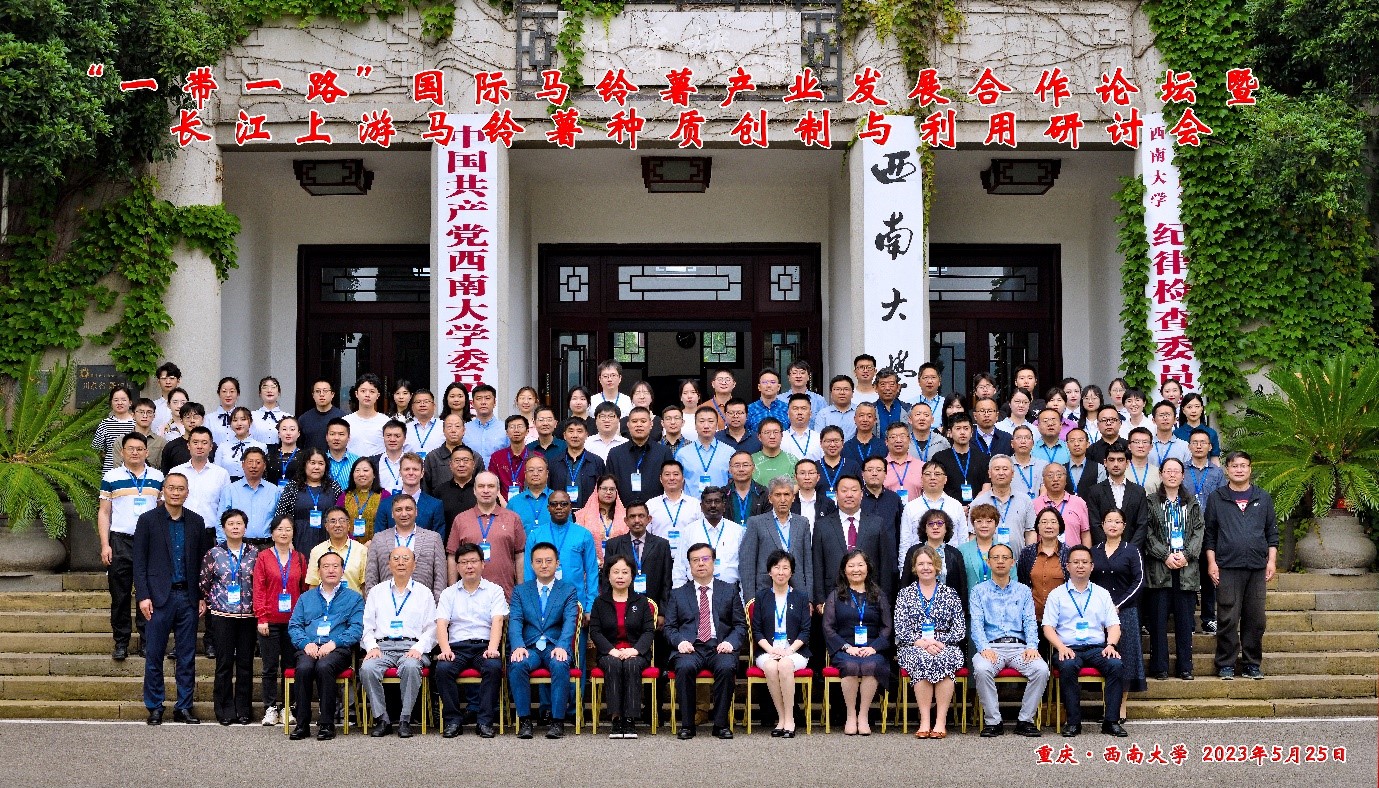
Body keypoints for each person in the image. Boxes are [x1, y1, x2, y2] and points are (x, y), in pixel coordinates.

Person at [133, 473, 214, 724]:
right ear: (163, 490)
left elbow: (202, 563)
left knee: (187, 656)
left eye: (181, 489)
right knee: (154, 654)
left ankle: (184, 706)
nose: (176, 492)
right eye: (171, 488)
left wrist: (202, 595)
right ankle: (155, 706)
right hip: (158, 598)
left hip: (188, 597)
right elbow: (139, 562)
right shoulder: (148, 520)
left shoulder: (196, 522)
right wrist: (143, 596)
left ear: (187, 492)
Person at [1204, 451, 1278, 681]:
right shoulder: (1217, 498)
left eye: (1243, 465)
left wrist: (1271, 561)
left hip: (1256, 567)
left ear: (1250, 468)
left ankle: (1251, 664)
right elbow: (1210, 535)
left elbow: (1272, 533)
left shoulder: (1262, 497)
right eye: (1234, 466)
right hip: (1227, 566)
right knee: (1227, 617)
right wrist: (1211, 563)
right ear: (1227, 469)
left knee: (1256, 619)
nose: (1239, 470)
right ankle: (1225, 663)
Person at [1043, 545, 1128, 737]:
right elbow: (1048, 626)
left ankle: (1111, 722)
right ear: (1067, 566)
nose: (1080, 566)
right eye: (1076, 562)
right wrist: (1060, 647)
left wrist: (1111, 645)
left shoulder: (1102, 594)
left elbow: (1114, 625)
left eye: (1084, 562)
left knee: (1116, 665)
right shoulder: (1057, 594)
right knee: (1067, 666)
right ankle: (1073, 723)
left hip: (1097, 648)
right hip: (1068, 647)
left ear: (1092, 566)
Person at [666, 542, 747, 739]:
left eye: (705, 559)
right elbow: (669, 627)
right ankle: (687, 725)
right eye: (695, 560)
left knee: (727, 667)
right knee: (684, 667)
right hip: (690, 647)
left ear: (713, 562)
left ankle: (720, 724)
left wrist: (730, 642)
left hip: (719, 646)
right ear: (689, 565)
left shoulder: (729, 590)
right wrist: (680, 642)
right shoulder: (678, 594)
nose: (701, 564)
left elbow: (740, 625)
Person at [968, 541, 1047, 738]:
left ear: (1013, 562)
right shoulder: (978, 591)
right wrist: (983, 648)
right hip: (991, 647)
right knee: (982, 669)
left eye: (1005, 558)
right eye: (996, 558)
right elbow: (976, 624)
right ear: (988, 562)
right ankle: (993, 721)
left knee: (1041, 669)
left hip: (1019, 648)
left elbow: (1030, 621)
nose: (1000, 561)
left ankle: (1025, 720)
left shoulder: (1023, 591)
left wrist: (1032, 646)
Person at [360, 546, 438, 738]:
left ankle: (405, 719)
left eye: (405, 558)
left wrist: (419, 648)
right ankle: (382, 718)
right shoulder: (377, 592)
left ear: (414, 565)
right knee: (367, 668)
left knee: (411, 666)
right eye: (396, 559)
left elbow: (432, 628)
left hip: (411, 647)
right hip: (382, 647)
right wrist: (372, 647)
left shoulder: (424, 593)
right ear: (389, 564)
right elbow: (366, 626)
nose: (401, 563)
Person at [286, 551, 365, 740]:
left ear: (342, 570)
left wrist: (334, 643)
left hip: (337, 649)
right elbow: (295, 625)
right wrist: (305, 643)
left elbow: (356, 628)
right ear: (318, 571)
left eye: (335, 566)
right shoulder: (306, 598)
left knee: (324, 666)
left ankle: (327, 724)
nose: (331, 570)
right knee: (304, 667)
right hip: (309, 647)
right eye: (326, 566)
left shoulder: (354, 598)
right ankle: (302, 724)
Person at [100, 432, 165, 660]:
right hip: (120, 541)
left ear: (147, 452)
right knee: (120, 594)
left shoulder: (157, 476)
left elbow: (162, 511)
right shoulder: (111, 476)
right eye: (131, 448)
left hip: (150, 542)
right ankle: (121, 642)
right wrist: (105, 544)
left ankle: (147, 641)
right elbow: (104, 512)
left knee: (148, 593)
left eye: (139, 449)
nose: (135, 452)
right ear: (122, 451)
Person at [435, 542, 507, 738]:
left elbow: (497, 620)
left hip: (483, 646)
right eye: (464, 562)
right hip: (456, 648)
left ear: (482, 564)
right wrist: (445, 650)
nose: (469, 566)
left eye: (473, 561)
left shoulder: (494, 590)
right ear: (457, 566)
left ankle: (484, 722)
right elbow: (441, 623)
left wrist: (492, 648)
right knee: (442, 669)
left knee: (493, 667)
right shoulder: (449, 593)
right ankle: (453, 721)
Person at [509, 541, 580, 739]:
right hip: (529, 647)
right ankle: (525, 721)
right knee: (517, 664)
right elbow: (515, 621)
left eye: (549, 561)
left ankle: (557, 722)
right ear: (531, 564)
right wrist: (518, 646)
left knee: (559, 664)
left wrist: (563, 646)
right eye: (539, 561)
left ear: (557, 563)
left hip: (554, 646)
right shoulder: (521, 591)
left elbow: (570, 621)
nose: (544, 565)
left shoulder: (568, 591)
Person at [894, 545, 966, 739]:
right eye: (921, 564)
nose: (925, 567)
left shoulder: (950, 593)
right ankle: (925, 721)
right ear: (914, 568)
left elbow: (959, 629)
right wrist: (921, 643)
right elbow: (900, 628)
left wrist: (939, 641)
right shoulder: (905, 594)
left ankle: (940, 721)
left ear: (937, 566)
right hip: (913, 645)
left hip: (945, 645)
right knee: (922, 660)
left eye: (929, 563)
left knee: (945, 659)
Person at [821, 549, 891, 735]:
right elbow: (828, 628)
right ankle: (851, 715)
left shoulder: (878, 595)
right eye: (851, 566)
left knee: (870, 665)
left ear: (868, 568)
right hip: (845, 648)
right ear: (844, 570)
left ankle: (863, 715)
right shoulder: (835, 596)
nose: (856, 569)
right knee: (850, 665)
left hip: (872, 648)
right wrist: (847, 647)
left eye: (860, 565)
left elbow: (887, 627)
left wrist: (874, 648)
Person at [1146, 458, 1204, 680]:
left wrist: (1187, 555)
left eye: (1176, 471)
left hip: (1186, 570)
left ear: (1182, 475)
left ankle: (1185, 667)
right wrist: (1165, 555)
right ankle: (1159, 667)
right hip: (1160, 569)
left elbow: (1199, 531)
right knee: (1158, 621)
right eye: (1168, 471)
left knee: (1184, 622)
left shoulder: (1192, 503)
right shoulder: (1151, 502)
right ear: (1161, 474)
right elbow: (1148, 533)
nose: (1172, 475)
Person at [199, 509, 259, 725]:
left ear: (245, 527)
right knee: (224, 663)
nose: (235, 527)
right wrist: (210, 601)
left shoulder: (254, 553)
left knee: (245, 663)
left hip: (248, 615)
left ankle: (243, 709)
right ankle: (224, 709)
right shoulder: (214, 553)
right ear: (223, 528)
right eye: (231, 524)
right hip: (222, 614)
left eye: (239, 523)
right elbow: (204, 582)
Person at [590, 554, 657, 739]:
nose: (620, 576)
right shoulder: (600, 602)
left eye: (625, 572)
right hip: (609, 652)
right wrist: (611, 651)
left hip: (636, 651)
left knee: (631, 664)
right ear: (608, 575)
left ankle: (630, 719)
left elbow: (648, 631)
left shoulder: (641, 602)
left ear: (632, 576)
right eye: (616, 572)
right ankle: (616, 718)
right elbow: (595, 631)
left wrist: (634, 650)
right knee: (613, 664)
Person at [251, 515, 308, 727]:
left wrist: (302, 620)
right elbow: (259, 588)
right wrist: (262, 617)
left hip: (293, 622)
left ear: (293, 533)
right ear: (272, 533)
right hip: (270, 620)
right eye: (280, 529)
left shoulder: (300, 558)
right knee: (269, 666)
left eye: (288, 529)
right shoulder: (264, 557)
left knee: (290, 666)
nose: (284, 533)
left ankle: (287, 707)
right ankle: (270, 707)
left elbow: (304, 590)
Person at [1091, 509, 1146, 722]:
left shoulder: (1131, 551)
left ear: (1124, 526)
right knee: (1102, 657)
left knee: (1125, 659)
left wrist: (1119, 605)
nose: (1113, 525)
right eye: (1109, 521)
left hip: (1125, 611)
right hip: (1098, 614)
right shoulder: (1094, 551)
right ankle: (1106, 705)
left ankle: (1120, 707)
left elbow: (1139, 581)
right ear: (1102, 525)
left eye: (1117, 521)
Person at [749, 550, 812, 737]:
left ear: (791, 572)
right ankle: (781, 717)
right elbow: (757, 630)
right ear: (770, 572)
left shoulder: (801, 597)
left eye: (785, 568)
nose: (781, 572)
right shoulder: (762, 597)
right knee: (770, 666)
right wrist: (771, 650)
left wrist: (789, 650)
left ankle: (790, 719)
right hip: (768, 650)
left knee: (784, 665)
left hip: (795, 651)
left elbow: (805, 631)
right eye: (776, 567)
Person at [818, 473, 898, 603]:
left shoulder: (877, 523)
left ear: (861, 494)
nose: (849, 495)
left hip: (870, 595)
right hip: (833, 595)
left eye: (854, 490)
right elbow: (818, 565)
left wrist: (884, 599)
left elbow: (885, 565)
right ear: (836, 495)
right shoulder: (822, 525)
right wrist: (820, 600)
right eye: (844, 490)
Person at [446, 471, 525, 598]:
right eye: (481, 486)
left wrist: (521, 592)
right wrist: (452, 592)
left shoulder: (513, 518)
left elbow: (519, 556)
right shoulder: (461, 519)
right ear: (474, 490)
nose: (486, 490)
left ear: (498, 490)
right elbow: (452, 557)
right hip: (467, 596)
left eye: (491, 486)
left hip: (505, 595)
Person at [740, 476, 814, 602]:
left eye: (787, 494)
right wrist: (750, 600)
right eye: (778, 495)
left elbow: (808, 563)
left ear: (793, 497)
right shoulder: (756, 523)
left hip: (798, 591)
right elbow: (747, 564)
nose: (783, 499)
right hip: (765, 590)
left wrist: (809, 598)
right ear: (770, 498)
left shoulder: (802, 523)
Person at [366, 494, 449, 600]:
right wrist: (373, 603)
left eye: (408, 509)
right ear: (392, 514)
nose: (404, 514)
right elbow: (371, 577)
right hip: (387, 603)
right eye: (398, 510)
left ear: (416, 512)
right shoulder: (379, 539)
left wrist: (436, 605)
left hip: (423, 603)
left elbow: (440, 578)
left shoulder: (433, 538)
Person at [1184, 428, 1226, 634]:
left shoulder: (1217, 473)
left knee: (1210, 576)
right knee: (1188, 576)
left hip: (1210, 530)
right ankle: (1188, 620)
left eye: (1203, 442)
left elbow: (1223, 499)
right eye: (1195, 442)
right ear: (1189, 446)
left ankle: (1209, 618)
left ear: (1210, 447)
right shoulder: (1182, 470)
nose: (1199, 446)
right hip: (1186, 531)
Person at [273, 447, 344, 555]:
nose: (316, 467)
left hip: (328, 539)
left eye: (321, 463)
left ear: (326, 466)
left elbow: (342, 514)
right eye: (312, 463)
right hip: (298, 540)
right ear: (304, 465)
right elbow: (281, 516)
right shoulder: (293, 486)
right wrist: (288, 542)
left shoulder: (333, 486)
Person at [603, 501, 673, 607]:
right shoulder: (613, 545)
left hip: (654, 606)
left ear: (649, 519)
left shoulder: (662, 545)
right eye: (632, 516)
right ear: (626, 521)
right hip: (621, 606)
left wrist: (662, 612)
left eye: (641, 516)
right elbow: (606, 580)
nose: (637, 520)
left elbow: (667, 581)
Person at [670, 486, 744, 586]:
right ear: (701, 506)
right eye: (708, 502)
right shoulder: (689, 531)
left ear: (724, 505)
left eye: (717, 501)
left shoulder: (737, 531)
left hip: (731, 591)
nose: (713, 505)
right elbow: (679, 568)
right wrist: (680, 593)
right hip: (696, 591)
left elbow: (745, 568)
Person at [898, 462, 969, 565]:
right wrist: (903, 569)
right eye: (928, 474)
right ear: (921, 479)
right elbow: (905, 542)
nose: (932, 478)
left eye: (937, 474)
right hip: (920, 566)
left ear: (945, 479)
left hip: (950, 564)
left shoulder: (956, 505)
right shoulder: (911, 507)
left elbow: (963, 539)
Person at [1084, 446, 1152, 547]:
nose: (1116, 464)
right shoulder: (1095, 491)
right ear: (1105, 462)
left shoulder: (1139, 491)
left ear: (1127, 463)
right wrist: (1109, 548)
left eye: (1120, 460)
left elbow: (1142, 524)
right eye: (1112, 460)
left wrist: (1130, 550)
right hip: (1104, 551)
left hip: (1132, 551)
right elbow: (1095, 524)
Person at [900, 510, 968, 605]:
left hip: (948, 607)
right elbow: (905, 583)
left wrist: (962, 608)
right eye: (930, 524)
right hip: (917, 606)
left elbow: (962, 586)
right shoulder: (913, 551)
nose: (935, 527)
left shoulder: (955, 553)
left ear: (946, 528)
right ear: (925, 528)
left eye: (940, 523)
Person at [607, 406, 674, 502]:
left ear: (651, 424)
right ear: (628, 425)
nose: (639, 425)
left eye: (643, 421)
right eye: (634, 421)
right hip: (623, 508)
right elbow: (609, 485)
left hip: (656, 508)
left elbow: (670, 483)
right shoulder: (615, 454)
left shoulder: (663, 452)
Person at [217, 447, 280, 546]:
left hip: (267, 545)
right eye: (250, 462)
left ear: (264, 466)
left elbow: (279, 520)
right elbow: (221, 519)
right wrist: (224, 544)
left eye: (258, 462)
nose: (254, 466)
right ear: (243, 465)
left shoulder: (274, 491)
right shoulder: (230, 490)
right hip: (238, 544)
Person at [171, 426, 231, 530]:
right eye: (195, 442)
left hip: (210, 532)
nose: (199, 446)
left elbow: (226, 507)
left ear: (211, 446)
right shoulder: (175, 472)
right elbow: (168, 503)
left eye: (204, 443)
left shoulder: (221, 474)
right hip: (180, 530)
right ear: (188, 446)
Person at [1018, 507, 1071, 621]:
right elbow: (1022, 584)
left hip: (1062, 619)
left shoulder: (1069, 554)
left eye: (1053, 522)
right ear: (1037, 526)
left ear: (1060, 526)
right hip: (1032, 618)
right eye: (1044, 522)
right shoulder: (1027, 553)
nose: (1049, 526)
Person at [970, 455, 1037, 545]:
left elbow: (1030, 532)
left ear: (1012, 473)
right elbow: (973, 535)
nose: (1001, 473)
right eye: (997, 469)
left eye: (1005, 469)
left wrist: (1030, 553)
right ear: (989, 473)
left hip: (1018, 554)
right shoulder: (978, 503)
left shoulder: (1025, 500)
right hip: (986, 554)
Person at [375, 452, 446, 535]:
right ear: (400, 473)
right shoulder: (385, 504)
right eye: (407, 469)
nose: (411, 473)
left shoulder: (435, 506)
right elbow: (379, 537)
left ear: (422, 473)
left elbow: (438, 539)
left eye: (415, 469)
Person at [305, 507, 369, 592]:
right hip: (324, 600)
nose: (338, 525)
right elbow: (313, 584)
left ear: (349, 525)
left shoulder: (361, 550)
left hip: (353, 600)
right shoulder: (317, 551)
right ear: (326, 526)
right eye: (333, 521)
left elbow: (364, 585)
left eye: (342, 521)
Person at [676, 405, 732, 499]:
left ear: (717, 425)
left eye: (711, 421)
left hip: (721, 504)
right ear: (695, 425)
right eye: (701, 421)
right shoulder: (682, 454)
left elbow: (733, 481)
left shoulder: (729, 452)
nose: (706, 426)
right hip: (692, 505)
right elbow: (677, 484)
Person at [549, 417, 606, 508]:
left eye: (579, 431)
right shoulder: (554, 463)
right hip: (560, 513)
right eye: (571, 431)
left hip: (589, 513)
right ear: (564, 435)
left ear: (586, 435)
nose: (575, 435)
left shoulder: (597, 462)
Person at [933, 413, 989, 504]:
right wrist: (957, 507)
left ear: (972, 432)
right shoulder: (939, 458)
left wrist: (972, 506)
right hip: (947, 507)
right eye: (958, 428)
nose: (962, 432)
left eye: (966, 428)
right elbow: (936, 486)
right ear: (950, 432)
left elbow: (987, 486)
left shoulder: (983, 458)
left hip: (977, 508)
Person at [1031, 463, 1091, 548]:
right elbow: (1032, 535)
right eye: (1050, 476)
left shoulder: (1079, 503)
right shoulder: (1034, 505)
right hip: (1044, 555)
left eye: (1059, 475)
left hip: (1072, 555)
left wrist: (1086, 554)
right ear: (1043, 481)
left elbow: (1085, 534)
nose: (1055, 479)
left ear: (1066, 479)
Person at [576, 473, 627, 563]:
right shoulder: (583, 515)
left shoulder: (625, 515)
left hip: (618, 565)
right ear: (597, 490)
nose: (608, 492)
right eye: (604, 488)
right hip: (590, 564)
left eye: (612, 489)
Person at [336, 457, 390, 542]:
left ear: (374, 474)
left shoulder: (385, 495)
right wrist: (353, 544)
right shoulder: (344, 496)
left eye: (365, 470)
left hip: (377, 545)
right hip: (348, 545)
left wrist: (373, 542)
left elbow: (388, 525)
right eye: (357, 471)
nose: (361, 474)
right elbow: (337, 522)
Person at [422, 413, 471, 495]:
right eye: (449, 427)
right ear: (443, 430)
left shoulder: (474, 457)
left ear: (464, 430)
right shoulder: (432, 457)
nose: (453, 430)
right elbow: (426, 489)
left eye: (457, 426)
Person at [859, 456, 903, 547]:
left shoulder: (894, 498)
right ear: (862, 474)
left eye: (879, 470)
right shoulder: (857, 498)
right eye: (870, 470)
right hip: (863, 552)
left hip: (889, 551)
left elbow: (900, 530)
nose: (874, 473)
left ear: (885, 474)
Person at [488, 415, 534, 499]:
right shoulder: (497, 457)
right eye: (512, 427)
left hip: (529, 503)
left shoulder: (536, 458)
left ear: (527, 431)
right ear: (506, 432)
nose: (516, 430)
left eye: (520, 426)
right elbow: (492, 484)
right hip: (501, 504)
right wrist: (503, 504)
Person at [435, 446, 479, 534]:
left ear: (473, 464)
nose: (461, 464)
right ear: (450, 465)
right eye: (457, 461)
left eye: (466, 460)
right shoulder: (440, 491)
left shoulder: (482, 490)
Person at [345, 374, 390, 457]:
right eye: (363, 391)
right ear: (356, 394)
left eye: (372, 392)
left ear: (378, 396)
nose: (367, 395)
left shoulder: (385, 421)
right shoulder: (346, 421)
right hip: (352, 464)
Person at [297, 378, 345, 453]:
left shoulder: (343, 417)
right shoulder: (304, 419)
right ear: (313, 395)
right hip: (310, 459)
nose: (321, 394)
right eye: (317, 391)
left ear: (332, 394)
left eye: (325, 391)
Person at [118, 398, 167, 471]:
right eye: (141, 412)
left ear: (154, 416)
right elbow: (117, 468)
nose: (145, 416)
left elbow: (163, 469)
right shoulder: (120, 441)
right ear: (133, 415)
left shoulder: (161, 442)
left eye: (149, 412)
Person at [750, 418, 798, 486]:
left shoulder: (792, 460)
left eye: (776, 432)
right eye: (767, 432)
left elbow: (797, 484)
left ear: (782, 435)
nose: (772, 436)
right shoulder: (750, 460)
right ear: (759, 437)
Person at [882, 422, 923, 502]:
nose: (898, 440)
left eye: (902, 436)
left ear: (909, 440)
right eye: (893, 437)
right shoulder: (879, 468)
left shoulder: (922, 467)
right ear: (886, 441)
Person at [465, 384, 508, 461]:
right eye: (479, 398)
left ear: (494, 402)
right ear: (472, 403)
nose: (483, 402)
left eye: (487, 398)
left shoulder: (505, 428)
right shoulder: (464, 429)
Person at [792, 458, 838, 527]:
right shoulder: (789, 503)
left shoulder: (828, 504)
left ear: (818, 477)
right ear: (795, 477)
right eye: (802, 473)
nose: (807, 477)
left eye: (811, 473)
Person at [724, 451, 767, 524]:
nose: (741, 469)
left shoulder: (764, 493)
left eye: (745, 465)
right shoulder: (722, 494)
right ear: (730, 470)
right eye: (737, 465)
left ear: (753, 468)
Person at [1174, 393, 1221, 459]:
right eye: (1189, 407)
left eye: (1197, 406)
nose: (1193, 411)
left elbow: (1214, 458)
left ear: (1202, 408)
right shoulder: (1176, 434)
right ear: (1183, 410)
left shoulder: (1211, 433)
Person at [813, 375, 857, 441]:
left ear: (852, 393)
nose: (842, 393)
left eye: (846, 389)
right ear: (831, 393)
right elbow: (819, 439)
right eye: (837, 389)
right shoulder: (823, 414)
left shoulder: (859, 412)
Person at [1008, 426, 1047, 501]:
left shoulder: (1043, 465)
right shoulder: (1005, 465)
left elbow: (1044, 491)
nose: (1023, 441)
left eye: (1027, 438)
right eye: (1019, 438)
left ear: (1032, 443)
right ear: (1012, 443)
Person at [251, 376, 291, 446]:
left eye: (273, 387)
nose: (269, 390)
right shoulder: (251, 416)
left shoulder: (287, 417)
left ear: (279, 392)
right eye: (265, 387)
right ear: (260, 393)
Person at [746, 368, 789, 434]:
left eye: (773, 382)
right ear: (759, 387)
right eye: (765, 382)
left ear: (778, 387)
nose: (769, 385)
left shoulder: (787, 408)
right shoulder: (749, 410)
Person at [404, 389, 444, 457]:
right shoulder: (405, 428)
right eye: (418, 402)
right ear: (412, 407)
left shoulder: (444, 426)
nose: (422, 405)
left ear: (434, 406)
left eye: (426, 401)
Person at [373, 419, 410, 493]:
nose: (392, 439)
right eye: (388, 436)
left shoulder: (412, 462)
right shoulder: (373, 462)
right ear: (383, 437)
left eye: (397, 436)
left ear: (404, 438)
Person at [1150, 401, 1191, 467]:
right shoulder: (1146, 446)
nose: (1165, 418)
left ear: (1175, 420)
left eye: (1168, 415)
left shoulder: (1185, 446)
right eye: (1161, 415)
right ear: (1154, 420)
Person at [323, 418, 360, 491]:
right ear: (326, 437)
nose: (336, 438)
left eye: (341, 434)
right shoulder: (319, 461)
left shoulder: (357, 462)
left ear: (348, 437)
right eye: (332, 434)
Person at [265, 416, 302, 485]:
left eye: (292, 429)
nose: (288, 433)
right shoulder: (270, 457)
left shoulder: (305, 457)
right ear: (279, 434)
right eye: (284, 429)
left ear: (298, 434)